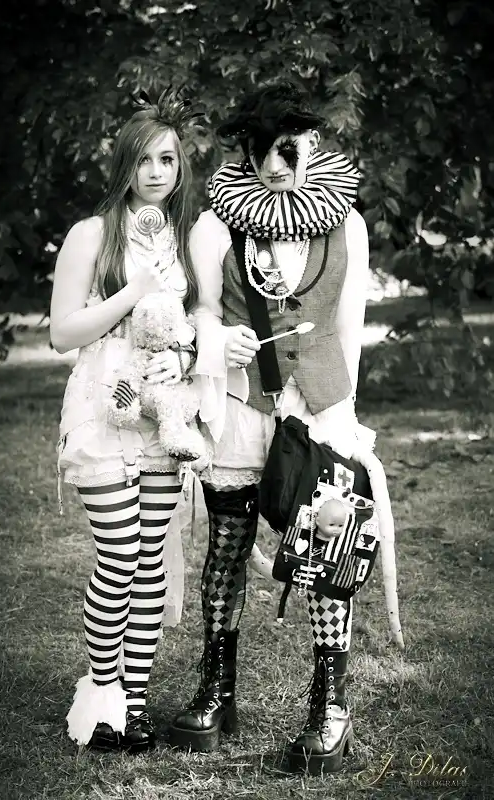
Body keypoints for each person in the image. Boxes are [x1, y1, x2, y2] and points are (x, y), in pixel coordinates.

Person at [168, 79, 376, 773]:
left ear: (313, 144)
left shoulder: (345, 223)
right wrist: (212, 340)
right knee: (227, 548)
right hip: (239, 407)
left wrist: (342, 417)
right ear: (249, 149)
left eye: (295, 146)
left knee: (328, 553)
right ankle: (216, 689)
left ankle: (330, 708)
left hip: (318, 411)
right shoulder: (214, 225)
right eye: (270, 148)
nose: (283, 162)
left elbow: (349, 327)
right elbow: (200, 309)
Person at [50, 87, 201, 753]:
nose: (156, 172)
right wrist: (133, 291)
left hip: (161, 414)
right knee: (118, 555)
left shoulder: (183, 240)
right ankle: (101, 699)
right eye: (143, 159)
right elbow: (61, 332)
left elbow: (193, 325)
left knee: (150, 564)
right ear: (125, 165)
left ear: (180, 166)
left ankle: (133, 705)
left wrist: (186, 355)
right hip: (102, 408)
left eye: (167, 159)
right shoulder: (91, 234)